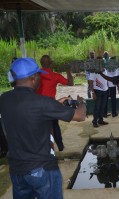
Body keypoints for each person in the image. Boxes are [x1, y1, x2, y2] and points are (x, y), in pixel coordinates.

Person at [0, 58, 86, 199]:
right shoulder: (42, 103)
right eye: (39, 75)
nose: (41, 78)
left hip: (17, 171)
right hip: (42, 169)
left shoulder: (4, 99)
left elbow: (26, 112)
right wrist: (82, 102)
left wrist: (54, 106)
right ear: (33, 78)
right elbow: (80, 116)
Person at [37, 55, 74, 151]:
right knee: (55, 126)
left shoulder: (35, 75)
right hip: (51, 106)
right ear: (51, 63)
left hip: (36, 106)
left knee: (40, 128)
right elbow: (70, 82)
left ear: (41, 63)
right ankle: (60, 146)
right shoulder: (55, 76)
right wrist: (68, 69)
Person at [103, 52, 118, 117]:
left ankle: (105, 113)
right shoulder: (116, 66)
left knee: (105, 100)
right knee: (113, 100)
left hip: (107, 85)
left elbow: (105, 74)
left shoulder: (106, 65)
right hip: (113, 85)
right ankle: (114, 113)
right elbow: (117, 76)